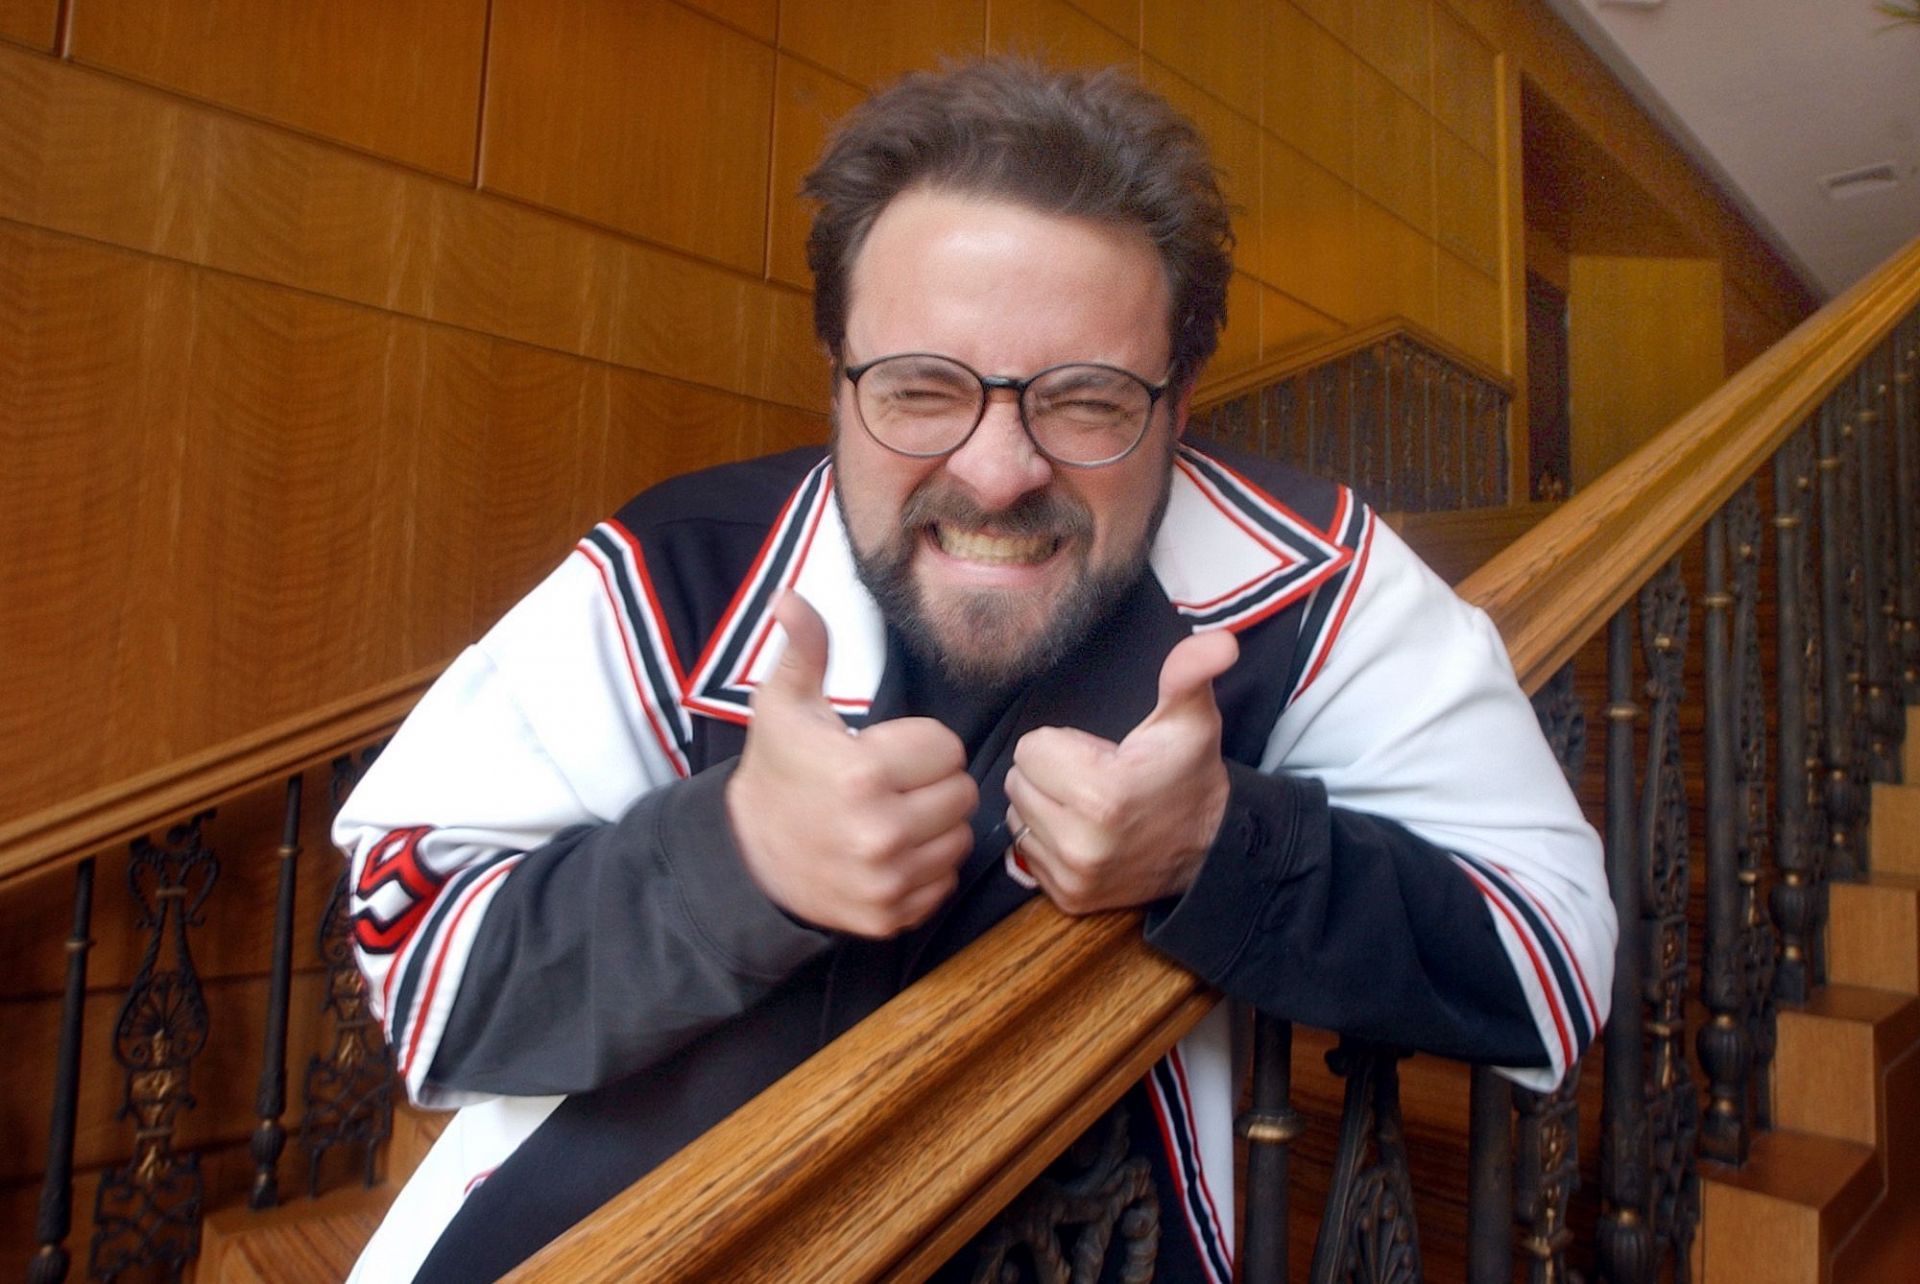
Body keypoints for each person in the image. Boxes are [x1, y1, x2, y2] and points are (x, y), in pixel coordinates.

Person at [336, 59, 1615, 1283]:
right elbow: (425, 971)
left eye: (1088, 398)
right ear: (836, 377)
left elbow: (1554, 960)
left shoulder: (1310, 579)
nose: (998, 471)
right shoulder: (677, 568)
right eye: (920, 388)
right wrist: (733, 862)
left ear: (1181, 398)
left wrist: (1221, 847)